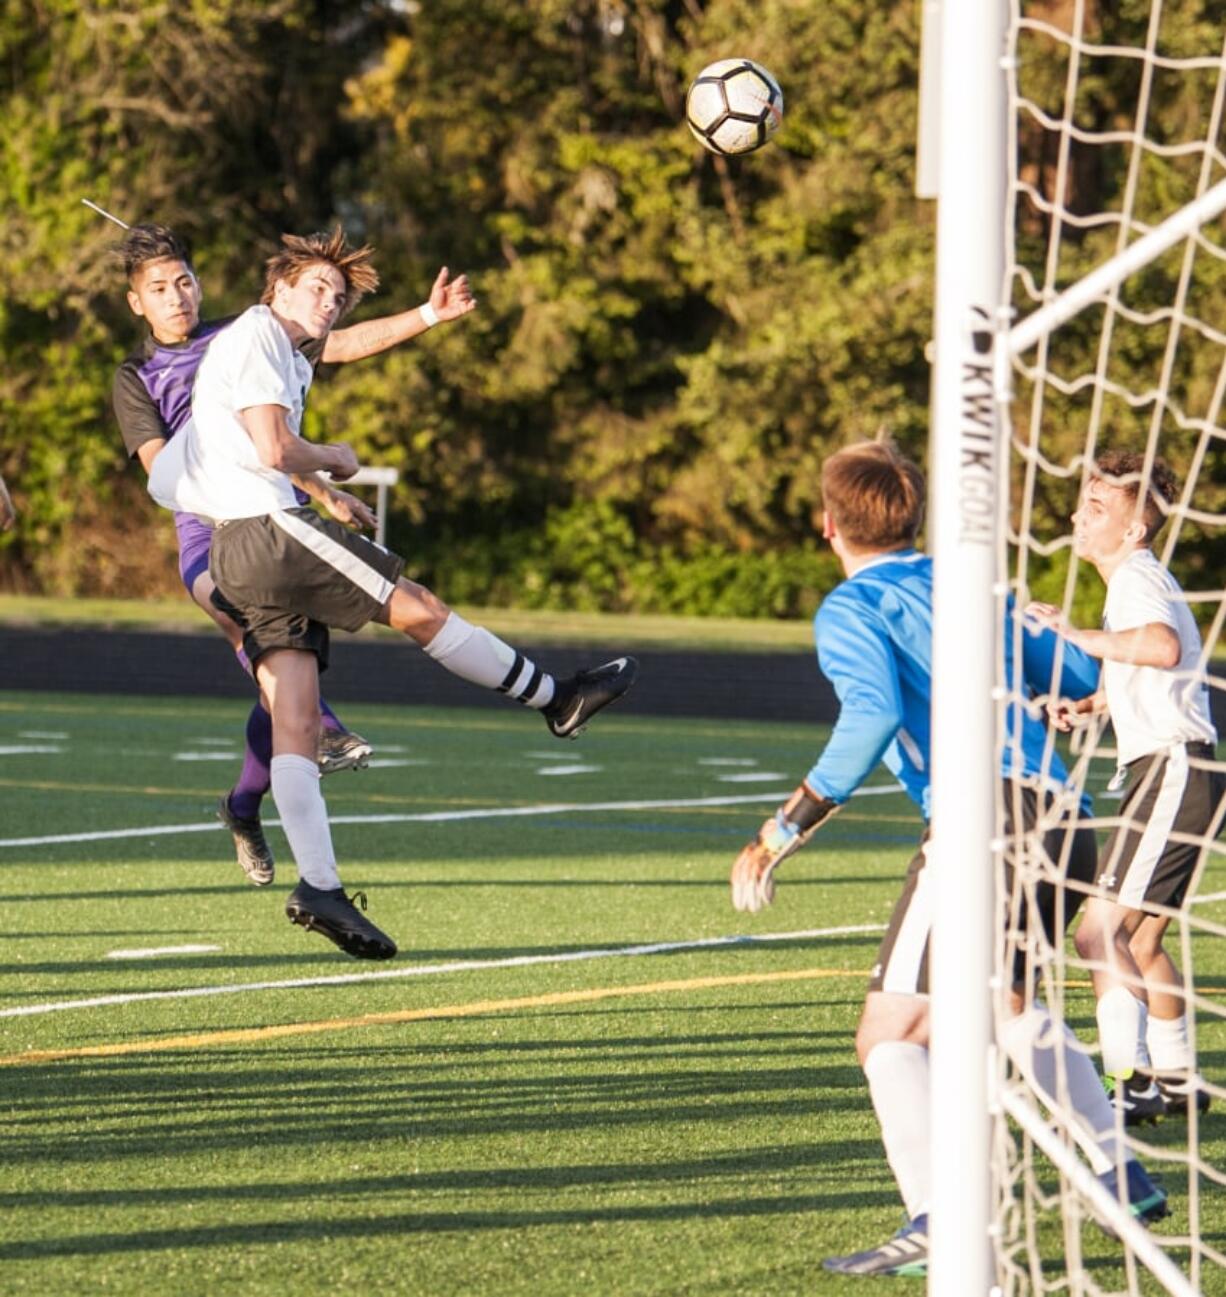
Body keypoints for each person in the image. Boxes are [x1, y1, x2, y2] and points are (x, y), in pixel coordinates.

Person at [729, 439, 1167, 1277]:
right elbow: (1074, 667)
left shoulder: (851, 608)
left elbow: (869, 719)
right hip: (1065, 816)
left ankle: (942, 1212)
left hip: (980, 818)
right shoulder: (968, 589)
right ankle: (1119, 1171)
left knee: (892, 1029)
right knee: (996, 1002)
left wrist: (780, 830)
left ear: (829, 526)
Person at [147, 227, 637, 960]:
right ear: (275, 289)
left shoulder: (276, 343)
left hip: (241, 545)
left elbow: (339, 350)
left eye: (337, 297)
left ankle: (319, 886)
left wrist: (428, 317)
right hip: (270, 529)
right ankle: (554, 700)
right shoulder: (255, 339)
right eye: (317, 287)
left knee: (297, 724)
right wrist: (333, 462)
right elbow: (275, 447)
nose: (330, 302)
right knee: (420, 606)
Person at [113, 222, 477, 886]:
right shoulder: (136, 375)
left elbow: (334, 346)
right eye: (159, 289)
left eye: (185, 282)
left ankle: (243, 804)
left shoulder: (244, 331)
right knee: (240, 621)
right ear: (138, 302)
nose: (177, 298)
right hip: (206, 526)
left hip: (277, 514)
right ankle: (327, 731)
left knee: (285, 680)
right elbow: (166, 467)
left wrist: (428, 314)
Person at [1027, 450, 1224, 1124]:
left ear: (1135, 528)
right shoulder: (1137, 581)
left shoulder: (1137, 578)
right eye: (1083, 503)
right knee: (1138, 942)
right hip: (1182, 770)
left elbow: (1163, 648)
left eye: (1099, 508)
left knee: (1095, 935)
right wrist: (1085, 707)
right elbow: (1142, 669)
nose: (1080, 517)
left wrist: (1072, 634)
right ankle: (1177, 1080)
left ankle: (1130, 1080)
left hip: (1175, 769)